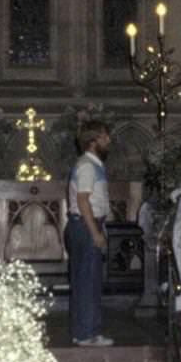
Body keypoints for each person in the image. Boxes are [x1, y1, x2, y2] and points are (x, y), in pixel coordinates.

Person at [65, 119, 113, 346]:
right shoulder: (87, 166)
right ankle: (87, 334)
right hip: (86, 226)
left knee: (88, 280)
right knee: (88, 281)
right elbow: (83, 200)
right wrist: (95, 232)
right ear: (93, 141)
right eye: (104, 137)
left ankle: (85, 331)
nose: (108, 140)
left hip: (87, 224)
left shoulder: (93, 164)